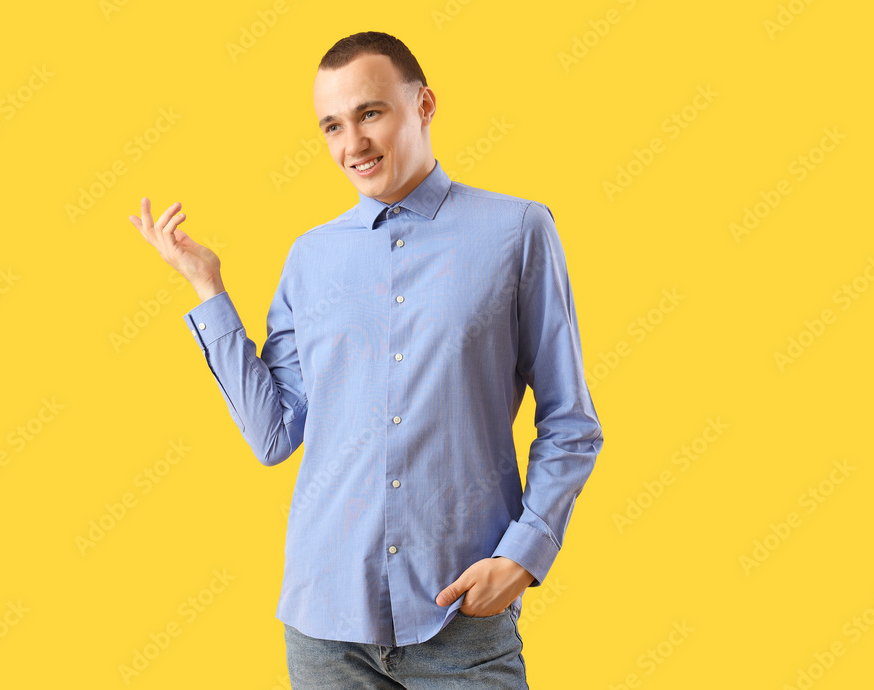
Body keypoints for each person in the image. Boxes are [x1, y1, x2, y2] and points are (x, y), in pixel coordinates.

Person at [128, 30, 603, 689]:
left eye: (370, 113)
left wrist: (523, 556)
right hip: (325, 629)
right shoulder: (310, 258)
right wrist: (208, 288)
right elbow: (273, 436)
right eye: (332, 126)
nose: (352, 145)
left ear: (425, 104)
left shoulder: (518, 232)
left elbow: (571, 423)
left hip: (461, 621)